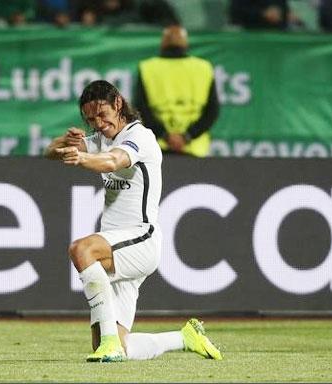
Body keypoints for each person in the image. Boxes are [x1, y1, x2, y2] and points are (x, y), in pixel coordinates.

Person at [44, 79, 223, 362]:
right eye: (91, 119)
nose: (99, 123)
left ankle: (111, 344)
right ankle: (185, 338)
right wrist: (65, 143)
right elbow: (50, 153)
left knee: (81, 249)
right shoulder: (103, 138)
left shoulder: (139, 136)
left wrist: (80, 157)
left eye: (102, 115)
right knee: (109, 344)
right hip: (117, 248)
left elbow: (112, 162)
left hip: (140, 239)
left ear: (118, 103)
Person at [135, 25, 218, 157]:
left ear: (163, 43)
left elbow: (141, 108)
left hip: (158, 147)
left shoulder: (147, 68)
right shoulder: (204, 68)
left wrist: (165, 135)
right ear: (185, 44)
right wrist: (187, 136)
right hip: (195, 148)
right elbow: (212, 110)